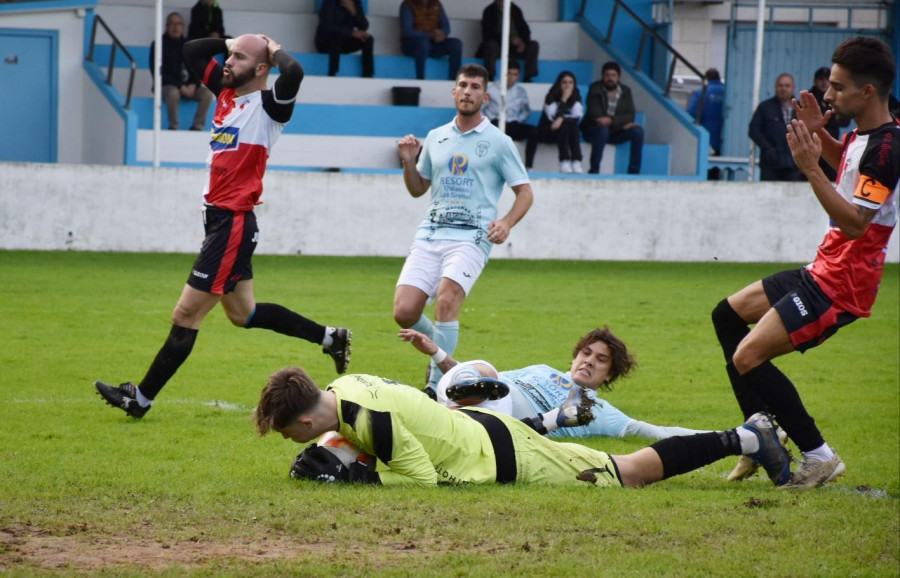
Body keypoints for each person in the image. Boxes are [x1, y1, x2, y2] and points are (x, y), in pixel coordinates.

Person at [94, 34, 352, 419]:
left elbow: (294, 70)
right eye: (229, 56)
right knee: (243, 315)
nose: (227, 61)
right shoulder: (226, 93)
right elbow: (191, 51)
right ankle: (331, 337)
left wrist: (271, 45)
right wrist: (234, 40)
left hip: (232, 223)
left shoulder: (270, 107)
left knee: (186, 315)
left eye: (239, 58)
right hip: (221, 222)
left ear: (262, 69)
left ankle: (140, 398)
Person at [711, 36, 898, 489]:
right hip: (823, 269)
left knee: (748, 356)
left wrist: (810, 167)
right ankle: (762, 437)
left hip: (843, 286)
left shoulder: (890, 148)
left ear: (867, 91)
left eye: (836, 87)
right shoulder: (865, 137)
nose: (828, 95)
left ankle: (818, 456)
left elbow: (856, 223)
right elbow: (845, 166)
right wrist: (818, 136)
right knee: (727, 316)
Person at [255, 365, 791, 488]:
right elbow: (363, 433)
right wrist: (339, 452)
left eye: (289, 433)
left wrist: (361, 480)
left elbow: (419, 480)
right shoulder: (344, 386)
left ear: (305, 418)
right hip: (481, 430)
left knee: (625, 473)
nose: (292, 442)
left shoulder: (367, 419)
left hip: (501, 455)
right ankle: (747, 436)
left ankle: (746, 437)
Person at [394, 63, 533, 398]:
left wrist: (506, 222)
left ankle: (434, 387)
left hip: (472, 238)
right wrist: (409, 161)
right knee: (404, 311)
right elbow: (417, 189)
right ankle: (445, 355)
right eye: (463, 85)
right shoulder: (436, 137)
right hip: (431, 234)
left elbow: (525, 192)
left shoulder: (498, 142)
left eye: (474, 87)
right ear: (454, 92)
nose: (468, 91)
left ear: (485, 97)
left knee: (446, 300)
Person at [399, 327, 711, 440]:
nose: (589, 361)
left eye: (601, 360)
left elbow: (656, 432)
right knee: (486, 371)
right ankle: (453, 401)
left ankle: (440, 405)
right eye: (586, 353)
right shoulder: (541, 369)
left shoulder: (600, 409)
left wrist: (721, 437)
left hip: (505, 422)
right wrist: (436, 352)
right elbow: (479, 378)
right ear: (575, 355)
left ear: (610, 375)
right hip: (475, 398)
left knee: (485, 386)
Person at [150, 11, 213, 131]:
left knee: (207, 94)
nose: (175, 27)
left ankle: (197, 126)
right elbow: (158, 71)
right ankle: (173, 126)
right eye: (172, 23)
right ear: (166, 26)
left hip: (189, 87)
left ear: (183, 27)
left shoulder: (189, 44)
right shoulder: (158, 44)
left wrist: (194, 84)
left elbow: (197, 68)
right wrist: (180, 85)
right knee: (173, 93)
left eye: (179, 24)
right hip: (168, 86)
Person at [581, 61, 644, 175]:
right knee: (602, 130)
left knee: (637, 131)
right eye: (607, 75)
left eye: (613, 75)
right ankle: (594, 171)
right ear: (603, 76)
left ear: (618, 77)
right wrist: (621, 121)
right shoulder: (595, 89)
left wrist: (613, 121)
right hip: (594, 131)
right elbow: (598, 117)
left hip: (615, 132)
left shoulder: (626, 91)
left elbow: (630, 115)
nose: (610, 78)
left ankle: (634, 173)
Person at [482, 59, 538, 170]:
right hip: (495, 123)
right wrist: (487, 121)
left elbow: (526, 111)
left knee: (534, 132)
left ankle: (528, 167)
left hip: (513, 124)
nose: (512, 77)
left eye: (515, 74)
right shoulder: (491, 89)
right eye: (509, 73)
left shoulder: (520, 91)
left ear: (519, 75)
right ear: (504, 73)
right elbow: (481, 108)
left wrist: (518, 120)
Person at [748, 73, 798, 181]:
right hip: (771, 164)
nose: (783, 88)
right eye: (780, 85)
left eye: (787, 86)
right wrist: (768, 148)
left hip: (794, 163)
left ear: (793, 88)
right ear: (775, 87)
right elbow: (754, 130)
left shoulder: (801, 109)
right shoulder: (765, 107)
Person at [477, 0, 539, 83]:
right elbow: (488, 34)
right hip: (498, 47)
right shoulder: (489, 11)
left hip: (516, 48)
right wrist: (509, 40)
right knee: (490, 45)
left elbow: (525, 30)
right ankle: (490, 76)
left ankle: (528, 77)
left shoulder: (515, 10)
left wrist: (522, 42)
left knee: (533, 45)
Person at [399, 0, 462, 81]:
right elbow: (407, 31)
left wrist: (442, 34)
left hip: (433, 43)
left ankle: (454, 80)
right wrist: (430, 35)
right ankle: (420, 79)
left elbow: (446, 27)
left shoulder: (436, 4)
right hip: (412, 45)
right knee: (423, 43)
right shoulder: (407, 4)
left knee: (456, 44)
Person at [808, 66, 850, 181]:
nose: (824, 83)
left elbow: (845, 121)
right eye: (821, 79)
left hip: (831, 143)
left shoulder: (837, 98)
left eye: (827, 80)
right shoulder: (808, 98)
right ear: (815, 81)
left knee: (832, 178)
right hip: (812, 144)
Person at [538, 71, 584, 174]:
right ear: (559, 84)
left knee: (573, 127)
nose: (567, 85)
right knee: (563, 127)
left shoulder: (576, 97)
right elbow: (552, 118)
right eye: (564, 82)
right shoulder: (550, 97)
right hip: (549, 132)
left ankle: (576, 160)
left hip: (567, 131)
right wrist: (563, 100)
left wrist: (562, 118)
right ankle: (564, 160)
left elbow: (576, 117)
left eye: (570, 82)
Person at [315, 0, 374, 78]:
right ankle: (332, 73)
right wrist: (351, 32)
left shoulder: (355, 3)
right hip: (326, 42)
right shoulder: (330, 2)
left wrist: (353, 11)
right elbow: (327, 27)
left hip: (344, 42)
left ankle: (368, 75)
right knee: (337, 37)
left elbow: (364, 26)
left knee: (368, 39)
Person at [687, 68, 725, 179]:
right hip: (725, 139)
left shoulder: (700, 93)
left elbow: (691, 113)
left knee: (707, 170)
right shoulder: (727, 91)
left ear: (706, 79)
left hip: (707, 138)